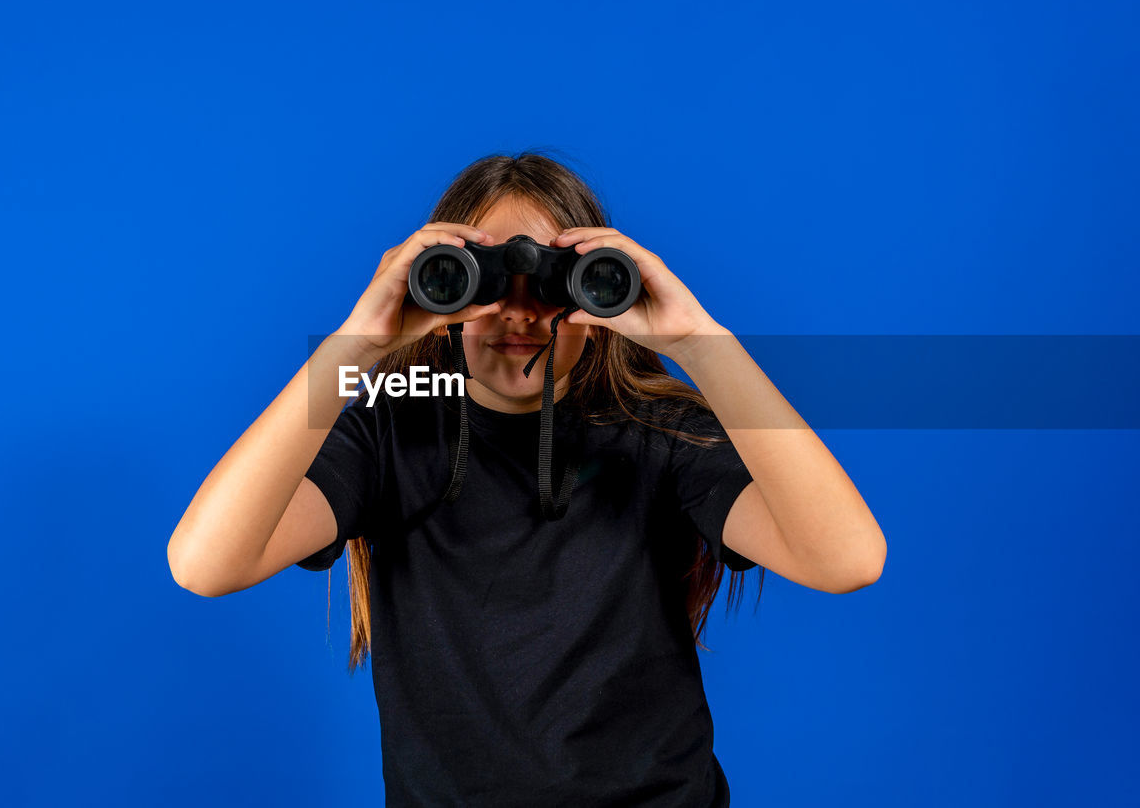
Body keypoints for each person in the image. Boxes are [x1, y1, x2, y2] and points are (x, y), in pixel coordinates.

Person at [167, 152, 888, 806]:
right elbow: (204, 564)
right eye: (480, 281)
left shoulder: (660, 434)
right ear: (440, 289)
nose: (519, 310)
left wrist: (701, 344)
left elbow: (849, 558)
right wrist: (358, 342)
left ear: (598, 294)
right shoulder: (388, 429)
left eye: (550, 280)